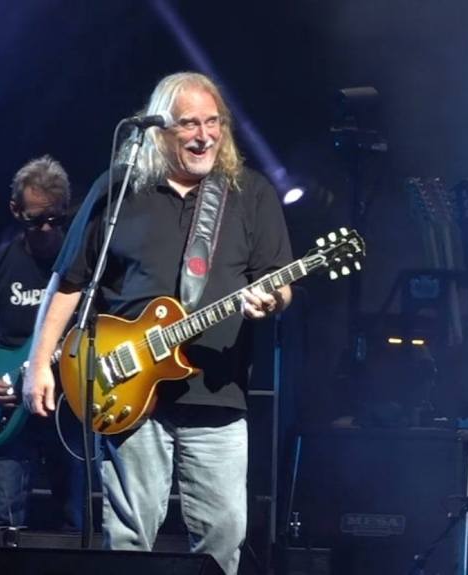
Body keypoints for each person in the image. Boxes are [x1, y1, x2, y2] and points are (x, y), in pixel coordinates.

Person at [22, 72, 292, 575]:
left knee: (224, 534)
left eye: (213, 123)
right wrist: (40, 362)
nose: (203, 136)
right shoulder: (119, 191)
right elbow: (70, 282)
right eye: (189, 124)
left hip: (217, 393)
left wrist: (271, 297)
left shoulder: (249, 194)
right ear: (158, 130)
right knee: (129, 535)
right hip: (126, 387)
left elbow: (279, 280)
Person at [0, 155, 84, 531]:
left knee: (78, 520)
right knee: (1, 522)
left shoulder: (79, 267)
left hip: (65, 409)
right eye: (34, 219)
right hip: (10, 411)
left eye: (54, 219)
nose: (44, 228)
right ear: (15, 210)